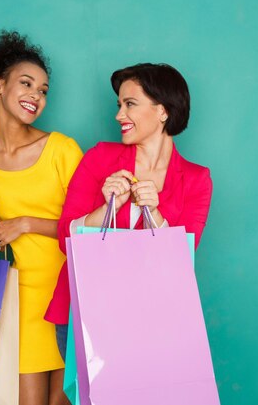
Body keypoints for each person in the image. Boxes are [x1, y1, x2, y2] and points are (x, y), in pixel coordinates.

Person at [45, 63, 213, 355]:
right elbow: (64, 238)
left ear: (163, 111)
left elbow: (181, 261)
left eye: (130, 104)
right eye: (119, 104)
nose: (119, 115)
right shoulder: (99, 158)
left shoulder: (197, 180)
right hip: (86, 313)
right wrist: (107, 206)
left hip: (152, 319)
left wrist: (156, 215)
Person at [0, 30, 82, 405]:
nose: (36, 96)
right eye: (26, 84)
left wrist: (29, 223)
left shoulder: (61, 149)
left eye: (43, 90)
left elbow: (88, 228)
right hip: (19, 301)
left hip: (70, 295)